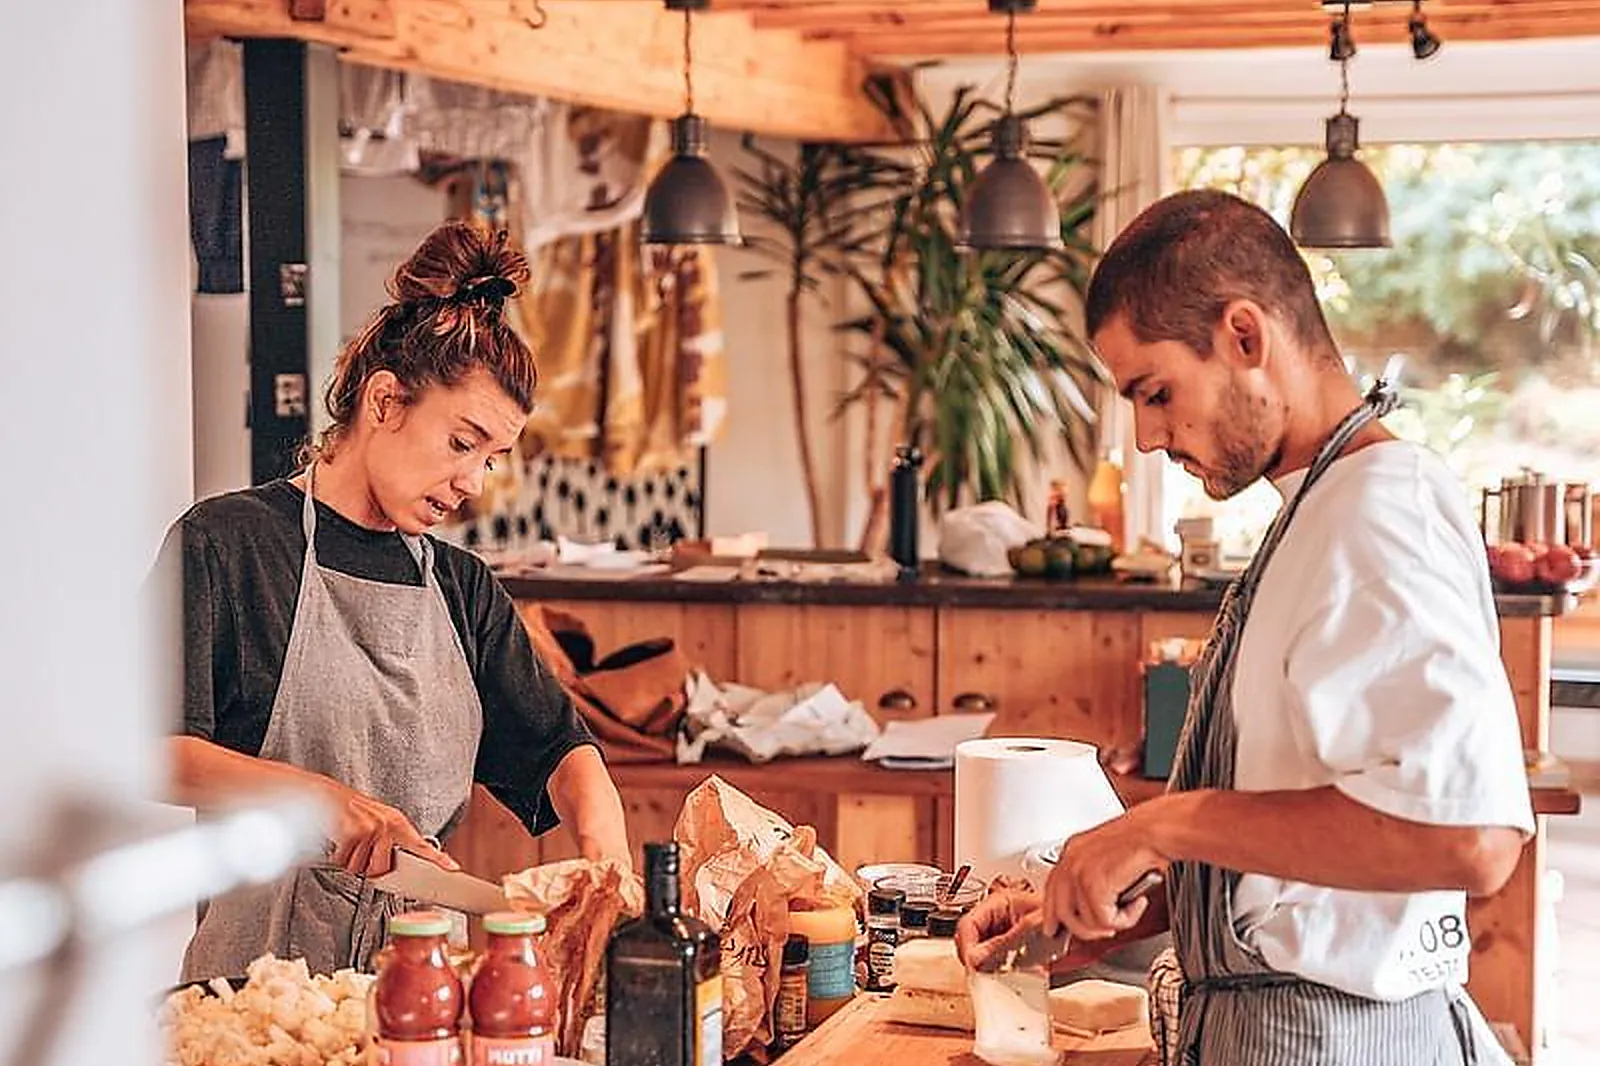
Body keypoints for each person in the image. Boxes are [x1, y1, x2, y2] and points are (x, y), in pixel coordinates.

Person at [956, 190, 1534, 1065]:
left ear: (1245, 336)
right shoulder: (1316, 509)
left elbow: (1471, 837)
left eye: (1156, 393)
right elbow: (1298, 866)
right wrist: (1084, 919)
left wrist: (1158, 828)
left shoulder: (1381, 513)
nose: (1148, 437)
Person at [158, 220, 630, 981]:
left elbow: (561, 753)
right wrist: (326, 803)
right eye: (461, 442)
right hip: (254, 1000)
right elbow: (151, 754)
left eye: (492, 458)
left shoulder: (462, 588)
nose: (474, 483)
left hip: (419, 991)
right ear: (384, 402)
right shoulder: (227, 544)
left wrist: (610, 874)